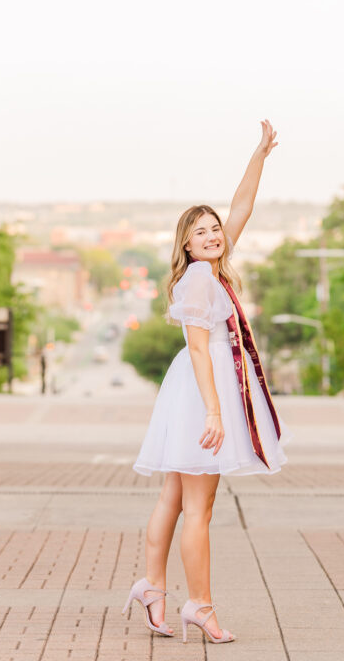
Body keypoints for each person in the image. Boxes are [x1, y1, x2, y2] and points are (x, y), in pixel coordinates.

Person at [122, 119, 292, 644]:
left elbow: (240, 207)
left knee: (174, 498)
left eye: (214, 228)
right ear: (188, 246)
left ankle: (153, 587)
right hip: (205, 389)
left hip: (204, 385)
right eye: (201, 232)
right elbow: (199, 347)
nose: (214, 234)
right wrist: (215, 411)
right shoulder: (199, 280)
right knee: (199, 506)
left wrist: (258, 156)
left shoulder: (210, 270)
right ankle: (200, 605)